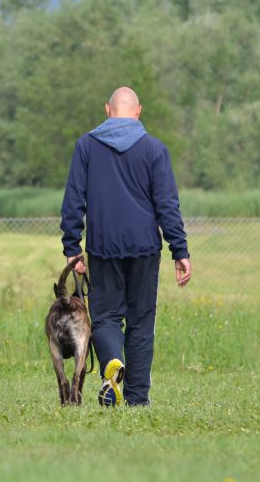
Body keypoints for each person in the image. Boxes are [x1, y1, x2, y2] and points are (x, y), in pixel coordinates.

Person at [60, 86, 191, 407]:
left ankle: (111, 365)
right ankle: (136, 399)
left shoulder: (86, 146)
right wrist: (180, 250)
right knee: (142, 321)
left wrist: (72, 246)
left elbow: (73, 199)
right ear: (138, 111)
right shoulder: (154, 150)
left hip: (104, 247)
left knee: (105, 317)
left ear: (108, 110)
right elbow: (167, 205)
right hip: (145, 247)